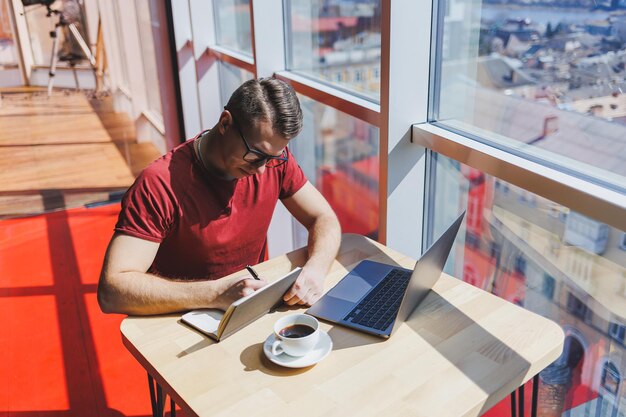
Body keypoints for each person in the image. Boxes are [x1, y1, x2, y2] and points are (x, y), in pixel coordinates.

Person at [98, 78, 341, 315]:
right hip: (180, 319)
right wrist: (215, 295)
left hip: (249, 308)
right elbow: (113, 289)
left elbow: (323, 217)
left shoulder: (275, 163)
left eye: (273, 157)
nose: (261, 170)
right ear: (225, 123)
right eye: (255, 154)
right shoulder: (158, 184)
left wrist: (316, 269)